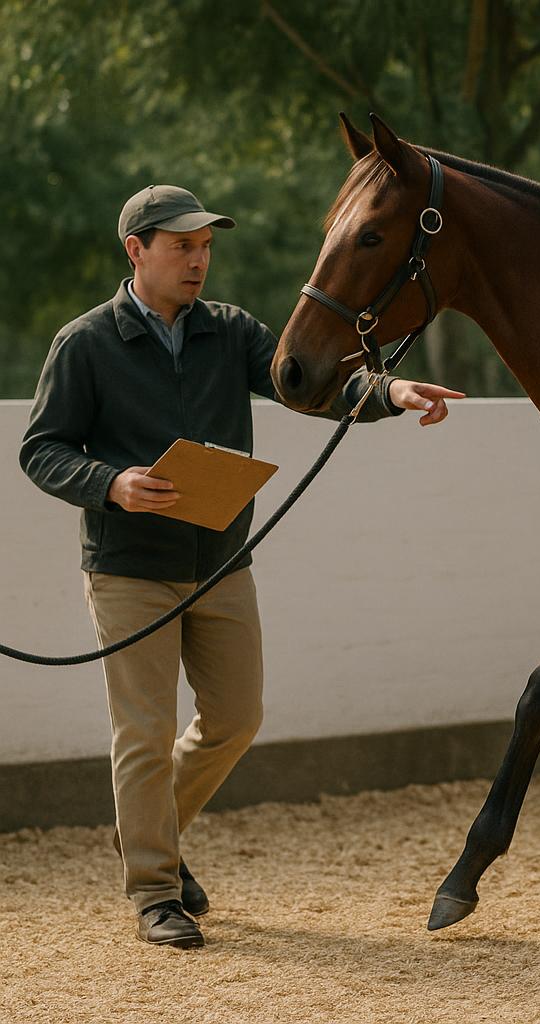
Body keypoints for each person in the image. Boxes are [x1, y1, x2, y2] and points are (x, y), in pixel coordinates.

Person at [19, 183, 464, 949]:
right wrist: (112, 484)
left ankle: (144, 833)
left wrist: (389, 389)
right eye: (183, 245)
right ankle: (157, 891)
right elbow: (42, 450)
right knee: (144, 734)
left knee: (235, 718)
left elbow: (311, 381)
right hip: (129, 570)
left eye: (206, 246)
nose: (200, 260)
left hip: (222, 560)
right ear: (137, 251)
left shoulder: (231, 332)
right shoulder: (85, 343)